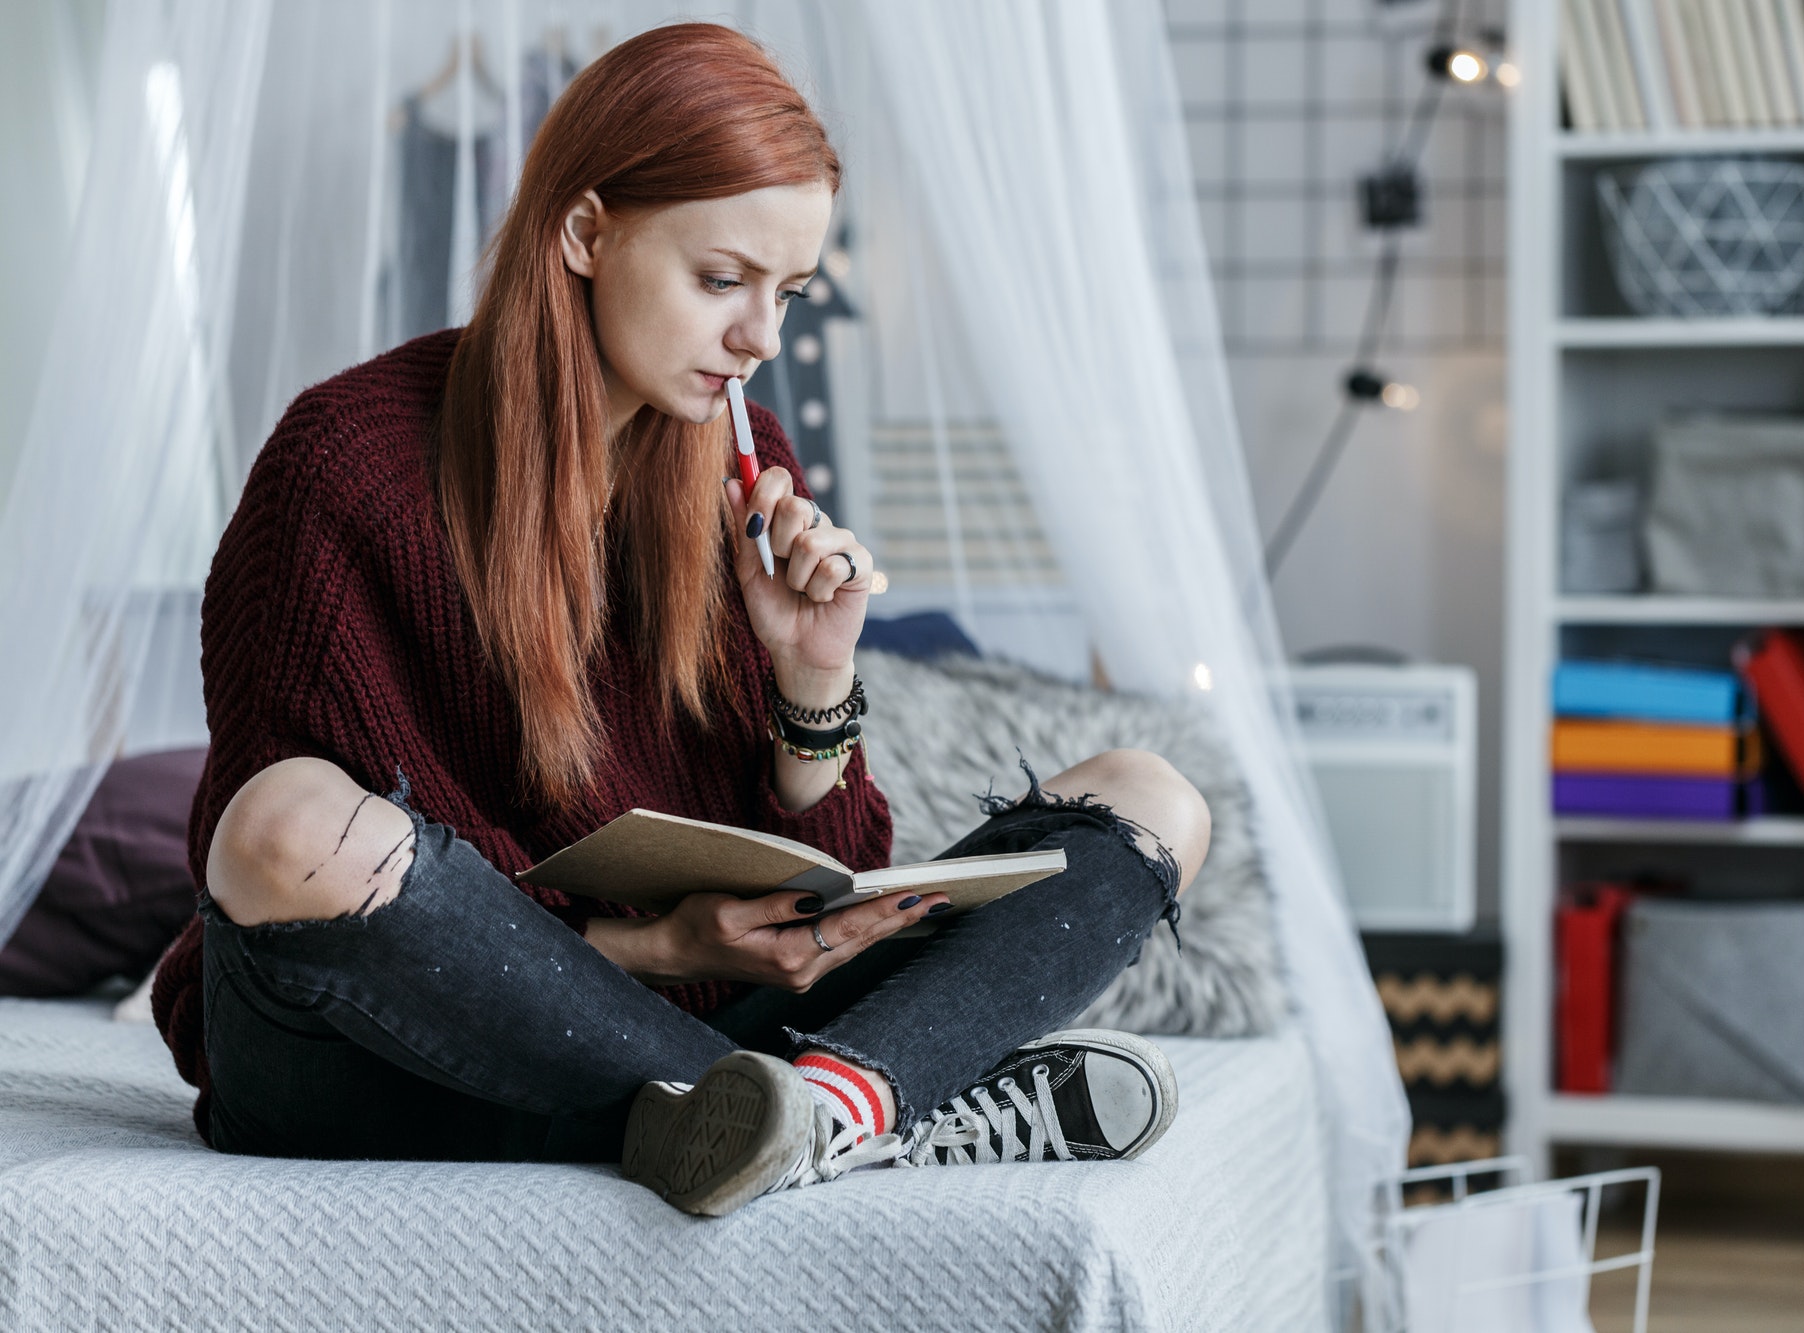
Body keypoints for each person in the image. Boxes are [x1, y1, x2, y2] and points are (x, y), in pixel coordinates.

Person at [149, 22, 1210, 1218]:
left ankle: (798, 1118)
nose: (762, 337)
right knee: (288, 819)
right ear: (586, 233)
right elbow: (270, 878)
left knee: (1150, 797)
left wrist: (815, 678)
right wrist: (657, 948)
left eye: (788, 293)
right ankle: (867, 1108)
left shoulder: (738, 475)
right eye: (722, 281)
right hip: (379, 1052)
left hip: (680, 1029)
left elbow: (836, 889)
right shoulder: (345, 462)